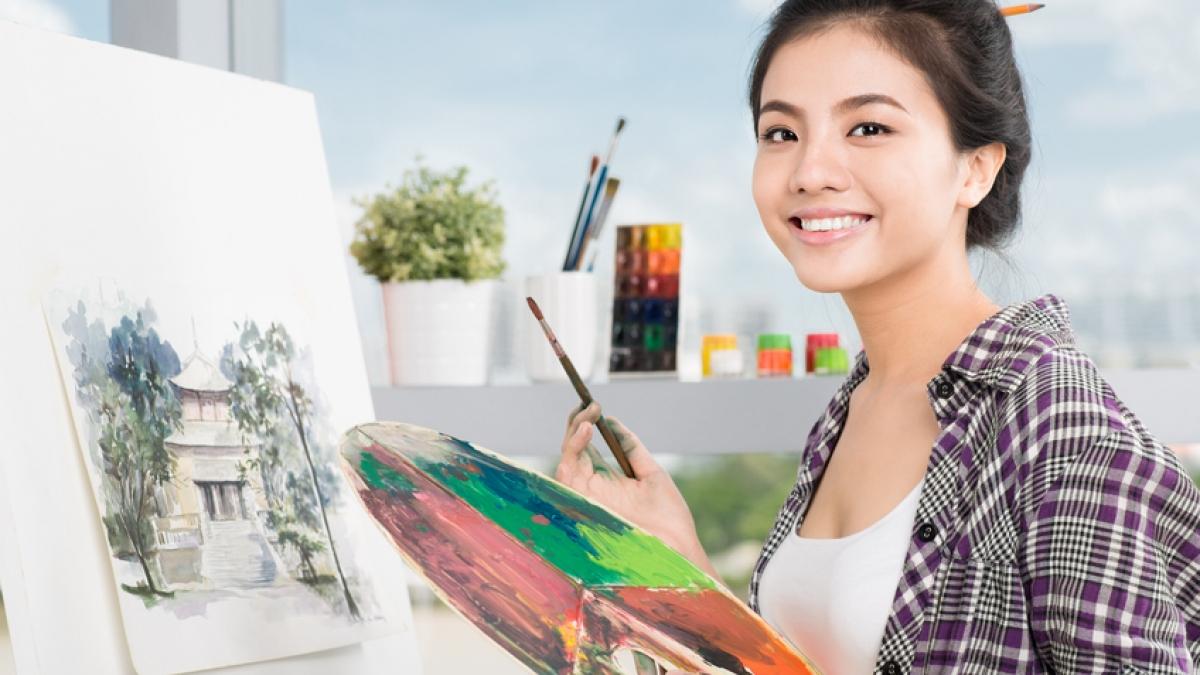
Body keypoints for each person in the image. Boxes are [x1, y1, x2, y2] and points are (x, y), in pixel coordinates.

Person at [556, 1, 1200, 672]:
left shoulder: (1057, 425)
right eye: (781, 132)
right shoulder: (853, 406)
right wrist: (681, 560)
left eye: (868, 127)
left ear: (975, 169)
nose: (810, 171)